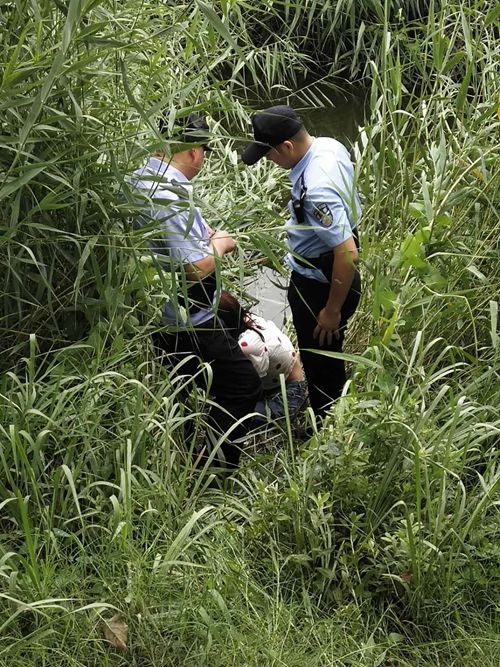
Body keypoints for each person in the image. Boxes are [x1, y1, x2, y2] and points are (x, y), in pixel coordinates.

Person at [128, 113, 262, 467]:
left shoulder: (138, 179)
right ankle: (216, 468)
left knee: (183, 389)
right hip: (189, 319)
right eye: (204, 150)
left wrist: (202, 235)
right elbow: (192, 271)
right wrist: (222, 245)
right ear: (191, 150)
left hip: (156, 315)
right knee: (241, 384)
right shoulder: (171, 195)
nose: (203, 159)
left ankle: (186, 455)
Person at [241, 106, 361, 420]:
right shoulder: (328, 146)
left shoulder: (316, 189)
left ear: (287, 147)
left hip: (322, 283)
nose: (269, 160)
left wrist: (331, 311)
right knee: (327, 357)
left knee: (320, 360)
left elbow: (346, 253)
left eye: (269, 154)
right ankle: (332, 412)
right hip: (326, 273)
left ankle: (327, 424)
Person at [217, 290, 307, 420]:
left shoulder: (247, 345)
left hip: (290, 391)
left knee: (237, 416)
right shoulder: (245, 319)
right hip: (275, 380)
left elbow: (251, 387)